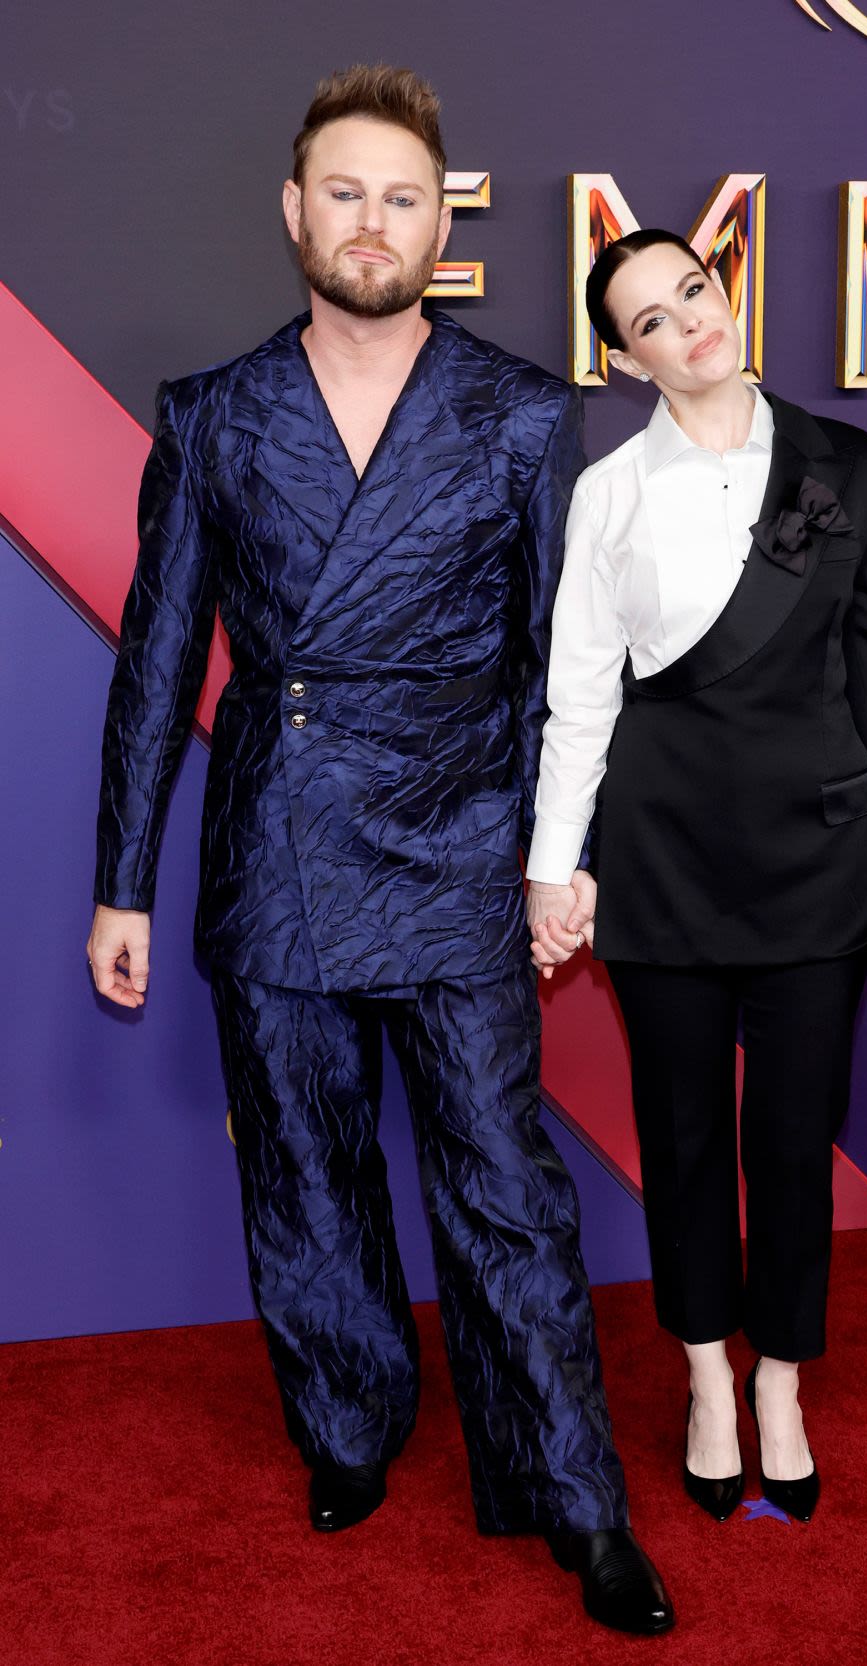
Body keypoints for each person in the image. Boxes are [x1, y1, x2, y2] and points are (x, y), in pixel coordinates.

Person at [86, 67, 673, 1635]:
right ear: (295, 212)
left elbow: (566, 667)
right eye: (343, 192)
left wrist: (565, 862)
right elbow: (156, 661)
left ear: (442, 223)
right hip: (272, 846)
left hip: (463, 845)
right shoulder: (214, 415)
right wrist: (120, 881)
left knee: (504, 1190)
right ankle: (345, 1428)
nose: (371, 221)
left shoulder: (523, 410)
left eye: (401, 196)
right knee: (304, 1176)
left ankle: (573, 1494)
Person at [526, 229, 867, 1524]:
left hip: (819, 864)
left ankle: (780, 1376)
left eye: (694, 296)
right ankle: (705, 1374)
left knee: (789, 1136)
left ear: (727, 295)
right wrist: (556, 869)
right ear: (623, 358)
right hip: (661, 865)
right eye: (649, 320)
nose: (686, 327)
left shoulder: (849, 465)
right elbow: (578, 700)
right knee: (681, 1139)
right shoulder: (608, 490)